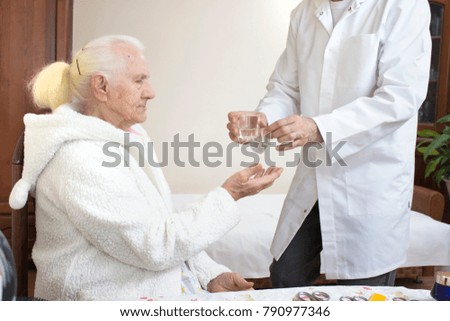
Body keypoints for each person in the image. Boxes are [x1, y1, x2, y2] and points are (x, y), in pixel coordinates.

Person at [8, 35, 283, 300]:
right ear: (102, 87)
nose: (151, 92)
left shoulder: (128, 137)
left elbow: (157, 221)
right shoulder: (79, 160)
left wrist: (209, 274)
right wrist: (230, 193)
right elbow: (157, 245)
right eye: (139, 80)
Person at [227, 0, 432, 287]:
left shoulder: (402, 5)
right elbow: (286, 88)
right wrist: (264, 119)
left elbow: (399, 98)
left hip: (368, 182)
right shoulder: (304, 13)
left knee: (362, 295)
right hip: (314, 177)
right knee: (286, 275)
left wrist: (317, 128)